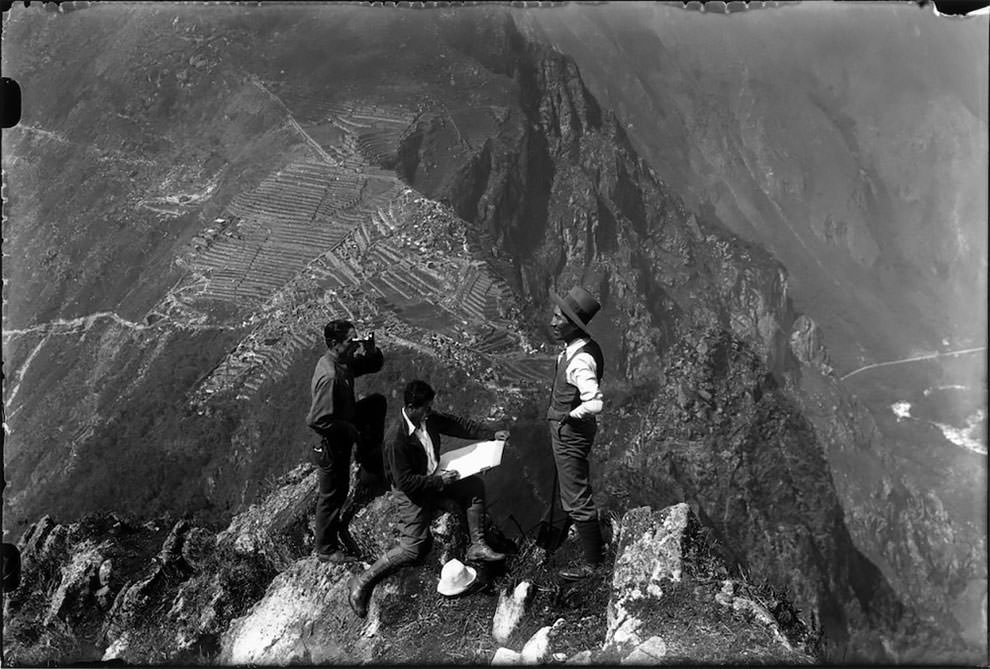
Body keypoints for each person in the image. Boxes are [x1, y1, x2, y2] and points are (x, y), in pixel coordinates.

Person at [347, 379, 510, 618]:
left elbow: (456, 424)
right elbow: (405, 483)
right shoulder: (396, 439)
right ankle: (362, 581)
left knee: (474, 486)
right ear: (412, 407)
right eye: (426, 407)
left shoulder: (426, 418)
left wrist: (490, 434)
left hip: (434, 475)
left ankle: (477, 545)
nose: (430, 411)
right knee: (412, 548)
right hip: (414, 490)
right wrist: (439, 483)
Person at [306, 319, 386, 563]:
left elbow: (372, 365)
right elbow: (317, 420)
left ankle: (369, 464)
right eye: (350, 341)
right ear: (334, 344)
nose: (355, 345)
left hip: (344, 418)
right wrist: (350, 429)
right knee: (333, 493)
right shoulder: (330, 375)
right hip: (332, 440)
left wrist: (370, 350)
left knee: (375, 404)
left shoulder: (341, 362)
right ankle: (326, 549)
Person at [540, 286, 606, 581]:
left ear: (572, 323)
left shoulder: (579, 360)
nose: (553, 323)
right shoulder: (579, 349)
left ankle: (593, 564)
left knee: (576, 495)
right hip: (567, 431)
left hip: (570, 433)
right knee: (570, 487)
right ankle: (571, 530)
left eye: (559, 319)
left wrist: (570, 415)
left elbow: (595, 402)